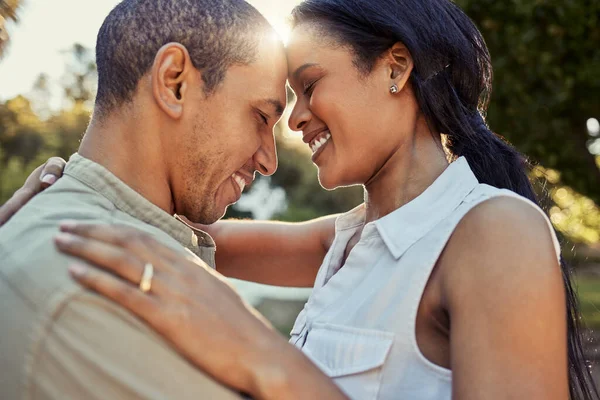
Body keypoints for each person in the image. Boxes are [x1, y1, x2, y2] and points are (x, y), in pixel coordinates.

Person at [3, 0, 599, 400]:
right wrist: (62, 186)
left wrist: (265, 357)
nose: (296, 121)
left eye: (310, 86)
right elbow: (162, 226)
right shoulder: (344, 242)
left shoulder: (492, 233)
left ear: (395, 68)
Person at [0, 0, 320, 398]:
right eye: (260, 116)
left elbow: (335, 241)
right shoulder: (100, 288)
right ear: (174, 82)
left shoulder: (69, 233)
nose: (269, 160)